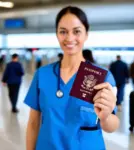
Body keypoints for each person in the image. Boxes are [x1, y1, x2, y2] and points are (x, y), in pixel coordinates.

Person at [24, 6, 119, 150]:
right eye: (63, 31)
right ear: (57, 34)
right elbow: (33, 123)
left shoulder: (101, 77)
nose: (69, 38)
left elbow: (112, 126)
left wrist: (105, 116)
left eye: (77, 31)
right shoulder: (42, 75)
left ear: (86, 34)